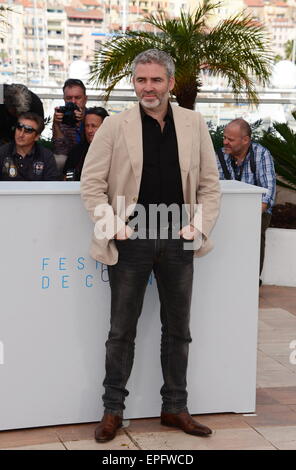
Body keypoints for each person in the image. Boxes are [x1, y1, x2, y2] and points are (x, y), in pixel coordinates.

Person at [80, 49, 221, 443]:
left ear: (171, 83)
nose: (148, 87)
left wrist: (198, 226)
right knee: (121, 331)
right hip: (132, 238)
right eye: (141, 80)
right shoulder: (115, 126)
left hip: (179, 238)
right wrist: (114, 225)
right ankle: (113, 411)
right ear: (134, 83)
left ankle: (175, 407)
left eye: (156, 80)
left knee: (178, 330)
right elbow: (91, 184)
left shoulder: (194, 123)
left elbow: (210, 185)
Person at [216, 118, 276, 281]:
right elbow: (214, 187)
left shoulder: (261, 154)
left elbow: (268, 194)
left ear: (246, 140)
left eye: (230, 139)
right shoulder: (220, 155)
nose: (225, 142)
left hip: (257, 211)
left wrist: (248, 217)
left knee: (255, 232)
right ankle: (226, 277)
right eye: (224, 137)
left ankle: (251, 280)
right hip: (227, 209)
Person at [0, 111, 58, 181]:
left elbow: (52, 186)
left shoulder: (46, 156)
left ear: (36, 137)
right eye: (19, 128)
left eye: (28, 130)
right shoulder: (2, 152)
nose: (21, 135)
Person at [63, 107, 109, 180]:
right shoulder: (76, 151)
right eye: (87, 126)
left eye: (93, 126)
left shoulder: (114, 151)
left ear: (105, 127)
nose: (89, 130)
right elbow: (68, 177)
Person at [52, 78, 88, 157]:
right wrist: (56, 125)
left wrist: (83, 123)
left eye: (78, 98)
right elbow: (60, 151)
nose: (73, 102)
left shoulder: (92, 116)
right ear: (64, 99)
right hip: (69, 162)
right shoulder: (61, 118)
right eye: (69, 98)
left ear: (85, 99)